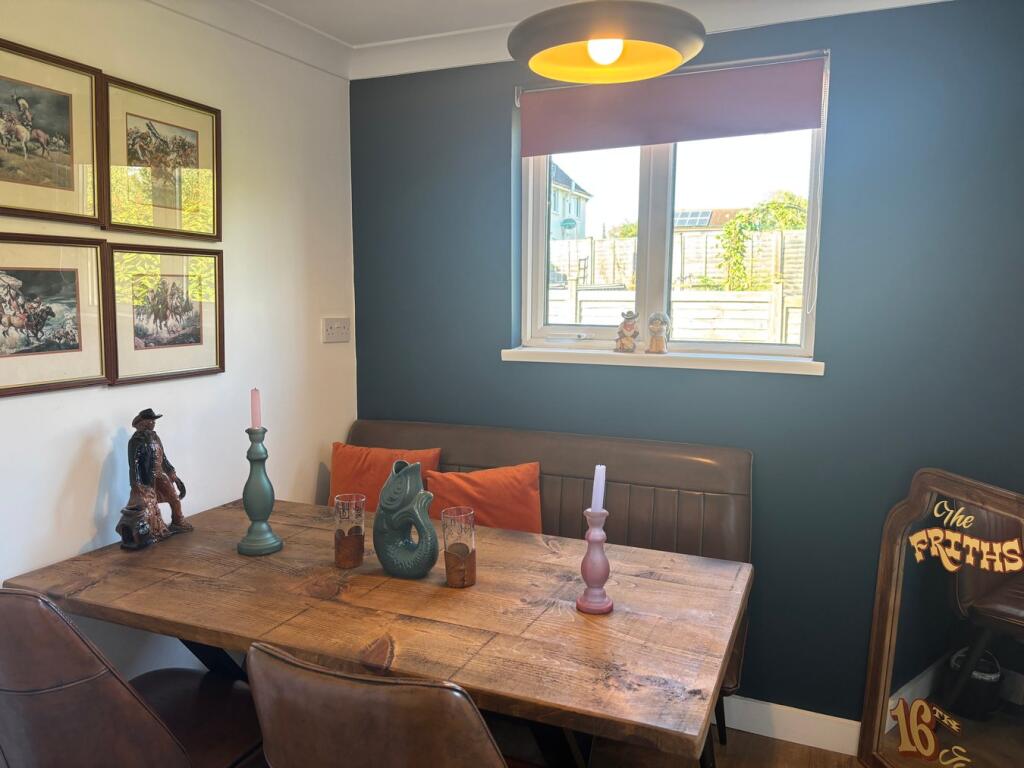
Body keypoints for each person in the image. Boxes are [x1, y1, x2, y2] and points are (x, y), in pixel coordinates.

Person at [126, 408, 191, 539]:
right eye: (151, 420)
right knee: (150, 505)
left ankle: (178, 521)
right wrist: (136, 484)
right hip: (146, 479)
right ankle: (154, 529)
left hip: (160, 474)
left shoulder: (155, 437)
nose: (153, 423)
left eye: (154, 420)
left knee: (174, 498)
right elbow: (134, 465)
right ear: (143, 423)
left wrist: (171, 472)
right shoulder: (136, 440)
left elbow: (163, 458)